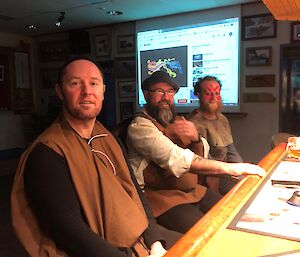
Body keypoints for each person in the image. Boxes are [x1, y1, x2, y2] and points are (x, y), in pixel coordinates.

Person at [11, 58, 167, 257]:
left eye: (93, 83)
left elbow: (135, 191)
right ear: (60, 91)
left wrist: (155, 241)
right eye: (75, 83)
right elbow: (69, 231)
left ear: (103, 90)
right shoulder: (47, 152)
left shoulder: (109, 139)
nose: (87, 91)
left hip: (140, 241)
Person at [126, 70, 265, 234]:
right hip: (162, 198)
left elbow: (203, 151)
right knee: (207, 231)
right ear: (146, 94)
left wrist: (196, 138)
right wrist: (232, 168)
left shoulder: (174, 119)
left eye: (170, 92)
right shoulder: (140, 127)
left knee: (230, 213)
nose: (166, 97)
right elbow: (178, 158)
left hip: (191, 190)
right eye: (159, 91)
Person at [188, 76, 243, 194]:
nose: (213, 98)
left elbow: (231, 150)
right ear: (198, 94)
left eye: (217, 93)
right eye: (208, 93)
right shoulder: (194, 123)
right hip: (211, 174)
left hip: (227, 169)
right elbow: (203, 158)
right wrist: (228, 171)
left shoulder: (222, 119)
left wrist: (241, 170)